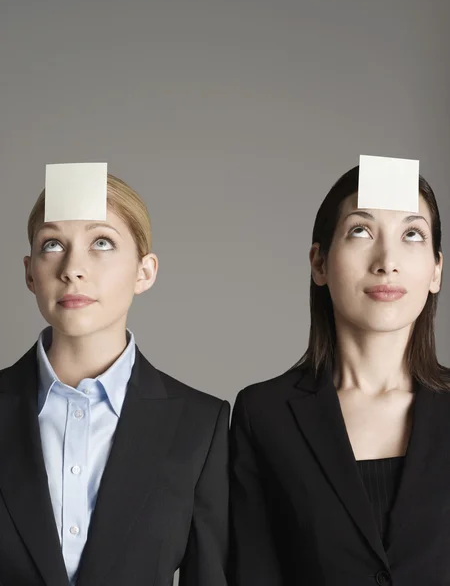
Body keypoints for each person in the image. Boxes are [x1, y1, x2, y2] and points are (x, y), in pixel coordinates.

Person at [0, 173, 229, 586]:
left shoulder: (200, 424)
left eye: (101, 242)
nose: (73, 269)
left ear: (145, 271)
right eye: (52, 245)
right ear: (30, 272)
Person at [229, 165, 450, 586]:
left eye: (412, 235)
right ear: (319, 263)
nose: (387, 262)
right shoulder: (265, 415)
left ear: (436, 270)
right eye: (361, 232)